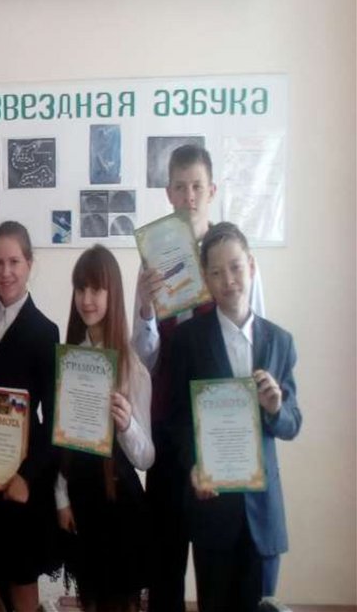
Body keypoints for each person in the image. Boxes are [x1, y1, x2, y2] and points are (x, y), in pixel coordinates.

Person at [131, 144, 267, 611]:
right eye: (180, 187)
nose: (189, 196)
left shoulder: (233, 259)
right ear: (168, 193)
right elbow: (144, 356)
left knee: (218, 566)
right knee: (165, 564)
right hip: (170, 431)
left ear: (212, 191)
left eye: (197, 186)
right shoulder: (151, 261)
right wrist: (145, 308)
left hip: (222, 433)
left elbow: (257, 343)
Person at [171, 223, 300, 612]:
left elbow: (293, 423)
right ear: (205, 279)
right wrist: (193, 465)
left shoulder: (280, 342)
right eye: (216, 272)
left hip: (264, 515)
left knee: (262, 607)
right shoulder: (188, 340)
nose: (228, 280)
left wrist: (275, 408)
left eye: (236, 267)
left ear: (251, 266)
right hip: (213, 511)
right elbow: (177, 421)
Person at [0, 221, 60, 612]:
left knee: (21, 589)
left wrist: (27, 477)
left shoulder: (45, 331)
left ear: (29, 263)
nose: (5, 272)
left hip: (21, 480)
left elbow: (53, 420)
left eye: (14, 262)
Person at [56, 245, 154, 612]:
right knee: (89, 601)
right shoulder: (70, 359)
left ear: (112, 293)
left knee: (117, 603)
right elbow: (62, 442)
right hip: (82, 502)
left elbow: (146, 458)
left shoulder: (132, 366)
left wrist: (126, 424)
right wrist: (61, 498)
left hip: (120, 506)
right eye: (80, 288)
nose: (86, 299)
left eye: (96, 289)